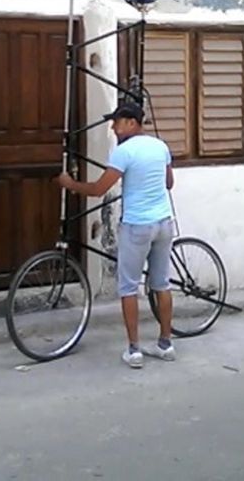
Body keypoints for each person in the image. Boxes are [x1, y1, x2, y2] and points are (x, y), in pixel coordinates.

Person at [57, 101, 175, 369]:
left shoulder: (124, 152)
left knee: (128, 287)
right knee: (161, 284)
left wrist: (70, 184)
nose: (113, 127)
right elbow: (169, 183)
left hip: (137, 226)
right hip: (164, 223)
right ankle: (165, 344)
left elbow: (99, 189)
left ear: (132, 123)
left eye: (117, 122)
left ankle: (134, 350)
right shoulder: (160, 146)